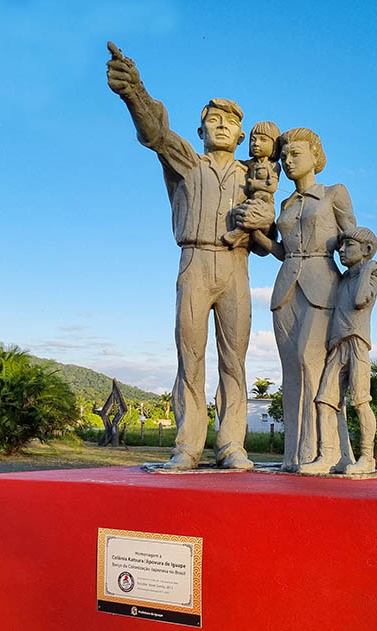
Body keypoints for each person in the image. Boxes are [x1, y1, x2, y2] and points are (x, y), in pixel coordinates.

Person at [106, 41, 254, 470]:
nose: (221, 125)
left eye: (229, 121)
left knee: (234, 360)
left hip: (236, 267)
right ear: (200, 130)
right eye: (212, 119)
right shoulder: (188, 162)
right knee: (190, 355)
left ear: (241, 134)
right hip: (194, 262)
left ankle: (232, 445)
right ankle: (188, 445)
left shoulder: (254, 176)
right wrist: (134, 92)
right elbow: (154, 133)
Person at [241, 128, 355, 471]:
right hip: (286, 289)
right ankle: (294, 456)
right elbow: (280, 251)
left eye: (296, 155)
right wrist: (256, 234)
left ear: (315, 156)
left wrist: (361, 289)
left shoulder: (335, 193)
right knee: (291, 369)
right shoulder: (286, 204)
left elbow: (354, 241)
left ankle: (325, 452)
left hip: (324, 286)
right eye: (286, 155)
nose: (289, 162)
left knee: (314, 365)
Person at [299, 227, 377, 475]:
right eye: (341, 247)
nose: (342, 251)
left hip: (357, 343)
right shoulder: (344, 277)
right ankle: (327, 455)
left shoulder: (370, 276)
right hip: (338, 345)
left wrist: (367, 269)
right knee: (325, 400)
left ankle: (367, 457)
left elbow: (359, 301)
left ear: (366, 250)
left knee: (360, 400)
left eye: (348, 246)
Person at [222, 121, 281, 252]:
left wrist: (255, 184)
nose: (256, 143)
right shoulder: (250, 164)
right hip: (253, 199)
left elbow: (272, 187)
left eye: (263, 140)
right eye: (253, 140)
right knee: (242, 212)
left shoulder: (272, 166)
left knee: (251, 215)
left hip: (264, 202)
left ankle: (237, 234)